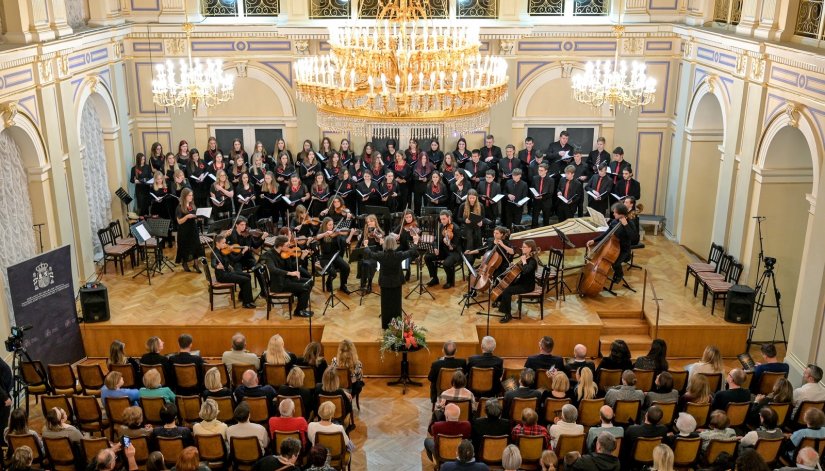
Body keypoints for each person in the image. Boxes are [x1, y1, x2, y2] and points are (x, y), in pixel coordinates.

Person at [364, 232, 420, 329]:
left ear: (385, 245)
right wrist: (415, 242)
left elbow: (369, 254)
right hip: (396, 282)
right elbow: (411, 252)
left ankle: (386, 325)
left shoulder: (381, 255)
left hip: (385, 283)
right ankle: (397, 325)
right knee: (396, 304)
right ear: (395, 245)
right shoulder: (399, 255)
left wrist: (366, 245)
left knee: (385, 304)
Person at [259, 236, 314, 317]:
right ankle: (299, 311)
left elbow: (292, 267)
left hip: (287, 280)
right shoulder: (269, 255)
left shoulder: (285, 254)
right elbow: (273, 269)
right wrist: (290, 273)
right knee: (305, 288)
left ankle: (302, 304)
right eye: (287, 245)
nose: (289, 247)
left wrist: (302, 257)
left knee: (309, 281)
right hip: (279, 283)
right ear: (281, 246)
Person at [585, 203, 638, 285]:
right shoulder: (615, 221)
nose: (613, 214)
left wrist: (625, 225)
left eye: (615, 212)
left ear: (621, 214)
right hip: (613, 247)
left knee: (615, 264)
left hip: (624, 250)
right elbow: (607, 233)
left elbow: (634, 238)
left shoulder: (630, 223)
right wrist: (594, 240)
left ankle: (619, 274)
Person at [497, 239, 539, 323]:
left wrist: (523, 261)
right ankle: (501, 303)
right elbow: (522, 269)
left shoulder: (532, 261)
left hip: (527, 286)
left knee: (507, 291)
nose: (522, 248)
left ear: (530, 249)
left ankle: (508, 315)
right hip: (522, 281)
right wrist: (514, 266)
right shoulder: (527, 258)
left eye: (524, 247)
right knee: (506, 285)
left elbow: (526, 270)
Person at [211, 235, 256, 309]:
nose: (225, 244)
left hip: (228, 272)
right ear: (217, 243)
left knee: (248, 275)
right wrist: (217, 266)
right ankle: (247, 303)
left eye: (225, 242)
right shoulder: (214, 253)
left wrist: (242, 252)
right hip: (222, 276)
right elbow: (212, 263)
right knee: (246, 280)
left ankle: (243, 296)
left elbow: (235, 259)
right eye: (223, 243)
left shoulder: (225, 250)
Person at [314, 217, 353, 294]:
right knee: (333, 273)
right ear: (325, 226)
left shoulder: (336, 233)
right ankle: (328, 283)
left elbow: (344, 242)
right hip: (325, 258)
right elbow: (316, 238)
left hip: (335, 256)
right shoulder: (322, 234)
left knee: (346, 267)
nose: (331, 227)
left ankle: (343, 286)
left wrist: (350, 233)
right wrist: (325, 234)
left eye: (332, 224)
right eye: (329, 225)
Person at [425, 210, 462, 289]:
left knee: (446, 264)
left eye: (444, 219)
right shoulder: (440, 226)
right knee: (427, 257)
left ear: (449, 217)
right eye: (441, 219)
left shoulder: (456, 228)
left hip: (454, 252)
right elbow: (436, 240)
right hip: (443, 250)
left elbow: (456, 245)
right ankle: (434, 278)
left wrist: (449, 244)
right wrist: (435, 248)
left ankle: (450, 281)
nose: (442, 221)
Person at [174, 188, 204, 272]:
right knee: (185, 247)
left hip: (193, 229)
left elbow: (195, 216)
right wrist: (187, 217)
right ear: (184, 196)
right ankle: (184, 263)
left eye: (192, 195)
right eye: (189, 195)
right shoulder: (179, 207)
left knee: (196, 246)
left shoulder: (192, 205)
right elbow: (179, 222)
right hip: (184, 231)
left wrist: (199, 218)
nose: (191, 197)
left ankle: (196, 264)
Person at [531, 163, 555, 228]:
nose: (539, 172)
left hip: (546, 202)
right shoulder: (535, 178)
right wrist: (534, 196)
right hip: (536, 202)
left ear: (546, 171)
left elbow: (551, 192)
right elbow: (532, 189)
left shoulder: (551, 180)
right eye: (539, 170)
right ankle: (533, 231)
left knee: (546, 219)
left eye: (541, 170)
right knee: (534, 219)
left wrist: (542, 197)